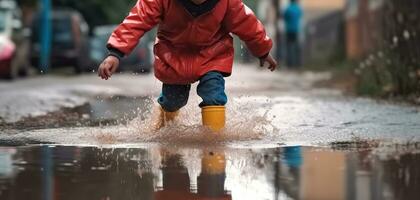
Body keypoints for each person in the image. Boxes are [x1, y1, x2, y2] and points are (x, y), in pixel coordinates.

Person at [97, 0, 277, 131]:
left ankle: (214, 148)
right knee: (173, 101)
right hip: (173, 56)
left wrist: (262, 51)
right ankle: (166, 130)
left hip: (212, 54)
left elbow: (248, 26)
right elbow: (136, 21)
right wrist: (116, 53)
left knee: (213, 94)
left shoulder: (228, 2)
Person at [284, 0, 303, 68]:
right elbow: (300, 16)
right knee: (296, 47)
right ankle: (297, 63)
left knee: (289, 47)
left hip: (288, 30)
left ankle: (289, 63)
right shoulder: (298, 9)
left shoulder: (288, 9)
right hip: (296, 30)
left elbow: (285, 17)